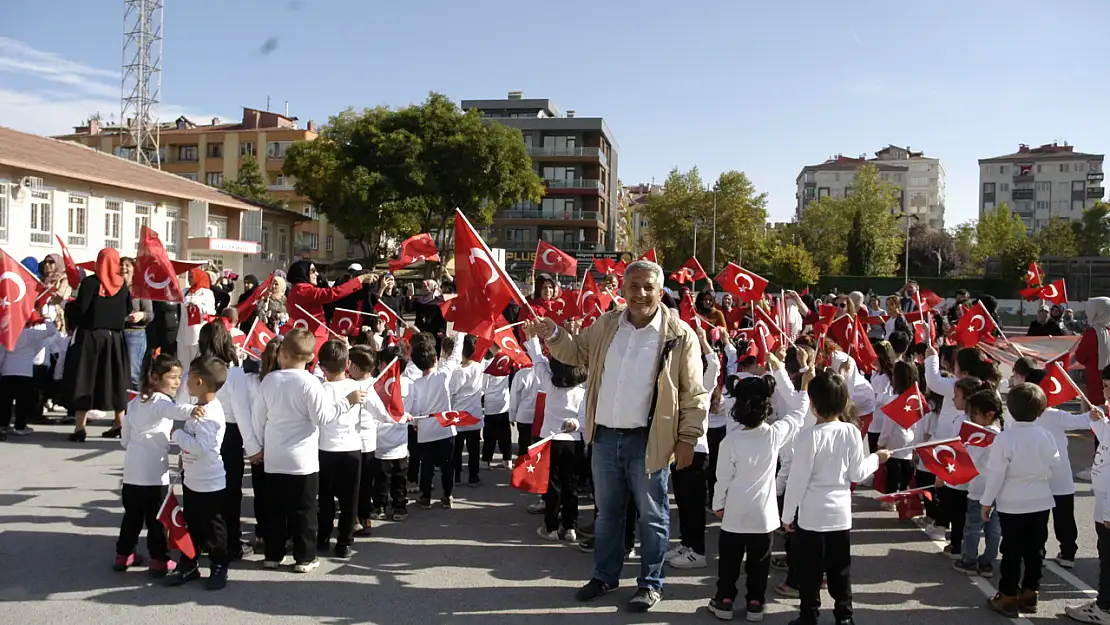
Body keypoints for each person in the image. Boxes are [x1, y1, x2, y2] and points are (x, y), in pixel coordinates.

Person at [524, 259, 709, 614]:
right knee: (607, 514)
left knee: (652, 517)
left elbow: (694, 394)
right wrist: (552, 332)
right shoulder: (607, 325)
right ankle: (605, 575)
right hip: (605, 438)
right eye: (633, 286)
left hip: (649, 441)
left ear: (659, 291)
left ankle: (650, 584)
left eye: (647, 287)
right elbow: (576, 352)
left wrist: (687, 438)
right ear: (622, 290)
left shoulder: (678, 334)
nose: (639, 294)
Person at [246, 328, 366, 573]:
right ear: (311, 358)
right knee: (305, 510)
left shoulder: (269, 380)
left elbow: (258, 417)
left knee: (275, 509)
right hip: (303, 459)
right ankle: (304, 557)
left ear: (282, 354)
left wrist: (258, 446)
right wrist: (348, 401)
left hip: (275, 456)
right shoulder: (310, 382)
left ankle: (273, 554)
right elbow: (323, 418)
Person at [781, 370, 890, 625]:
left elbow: (797, 481)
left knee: (810, 570)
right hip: (840, 515)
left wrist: (787, 516)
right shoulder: (851, 433)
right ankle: (844, 615)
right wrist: (877, 458)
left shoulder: (807, 437)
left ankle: (809, 615)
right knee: (840, 570)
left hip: (811, 516)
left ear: (813, 405)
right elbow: (858, 473)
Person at [709, 359, 807, 622]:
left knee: (729, 562)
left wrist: (718, 503)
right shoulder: (774, 435)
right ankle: (755, 602)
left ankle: (725, 599)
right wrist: (805, 386)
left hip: (734, 514)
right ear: (767, 404)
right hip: (764, 515)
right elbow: (798, 414)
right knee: (759, 563)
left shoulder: (730, 441)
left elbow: (722, 479)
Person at [980, 382, 1059, 618]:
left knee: (1011, 550)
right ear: (1041, 410)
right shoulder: (1045, 435)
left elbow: (995, 474)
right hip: (1041, 500)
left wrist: (986, 501)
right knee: (1036, 550)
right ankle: (1030, 593)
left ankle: (1007, 596)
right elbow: (1055, 464)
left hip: (1012, 503)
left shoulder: (1005, 439)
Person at [114, 354, 194, 577]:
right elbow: (176, 412)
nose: (177, 382)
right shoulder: (161, 402)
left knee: (132, 516)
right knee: (156, 518)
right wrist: (194, 409)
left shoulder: (135, 402)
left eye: (179, 377)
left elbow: (124, 437)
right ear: (154, 378)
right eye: (172, 377)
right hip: (153, 472)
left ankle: (123, 554)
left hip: (131, 470)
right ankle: (158, 559)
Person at [167, 355, 230, 590]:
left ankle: (219, 565)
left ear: (200, 382)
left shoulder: (210, 413)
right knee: (191, 524)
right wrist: (183, 457)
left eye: (188, 377)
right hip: (192, 479)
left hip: (210, 481)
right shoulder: (199, 409)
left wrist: (177, 436)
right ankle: (189, 563)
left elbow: (202, 447)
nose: (185, 381)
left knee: (214, 528)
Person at [522, 332, 587, 542]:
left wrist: (532, 338)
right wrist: (575, 424)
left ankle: (550, 527)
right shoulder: (582, 393)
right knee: (571, 486)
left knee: (553, 486)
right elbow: (584, 419)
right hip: (573, 443)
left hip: (550, 442)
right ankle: (570, 527)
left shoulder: (549, 386)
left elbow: (539, 362)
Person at [63, 248, 132, 442]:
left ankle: (80, 428)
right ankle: (119, 424)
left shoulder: (90, 283)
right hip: (114, 339)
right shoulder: (123, 286)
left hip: (90, 337)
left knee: (85, 378)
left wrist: (67, 306)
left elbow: (80, 309)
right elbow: (126, 310)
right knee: (115, 380)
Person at [667, 325, 719, 570]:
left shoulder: (702, 386)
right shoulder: (676, 386)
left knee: (694, 505)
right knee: (683, 503)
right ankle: (686, 544)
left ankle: (697, 551)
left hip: (698, 451)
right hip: (676, 450)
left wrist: (702, 339)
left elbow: (715, 364)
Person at [316, 340, 365, 559]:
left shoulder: (318, 389)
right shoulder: (356, 387)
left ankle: (323, 537)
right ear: (348, 364)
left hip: (325, 449)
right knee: (349, 499)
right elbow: (380, 411)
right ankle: (344, 542)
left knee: (325, 498)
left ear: (322, 366)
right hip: (350, 449)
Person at [1064, 402, 1110, 623]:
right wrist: (1098, 421)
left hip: (1109, 508)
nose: (1106, 393)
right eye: (1104, 386)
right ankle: (1104, 603)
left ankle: (1103, 608)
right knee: (1105, 554)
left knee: (1108, 558)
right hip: (1103, 503)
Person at [954, 389, 1004, 578]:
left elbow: (970, 460)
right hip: (998, 490)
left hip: (979, 490)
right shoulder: (1002, 434)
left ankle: (968, 560)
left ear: (988, 414)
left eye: (974, 414)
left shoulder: (981, 436)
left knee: (973, 527)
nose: (971, 418)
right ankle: (988, 562)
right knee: (994, 529)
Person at [285, 260, 376, 342]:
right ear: (303, 273)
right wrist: (360, 280)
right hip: (311, 340)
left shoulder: (298, 290)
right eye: (313, 271)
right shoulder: (302, 290)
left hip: (311, 337)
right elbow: (332, 294)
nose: (316, 274)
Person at [119, 257, 153, 391]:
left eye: (127, 265)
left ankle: (137, 405)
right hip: (117, 333)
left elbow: (150, 314)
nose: (123, 268)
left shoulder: (140, 289)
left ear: (134, 269)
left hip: (135, 335)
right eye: (121, 265)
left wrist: (141, 315)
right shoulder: (114, 288)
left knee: (133, 373)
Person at [178, 268, 216, 368]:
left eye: (192, 277)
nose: (189, 279)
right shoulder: (185, 291)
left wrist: (195, 306)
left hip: (197, 333)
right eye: (188, 277)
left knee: (196, 361)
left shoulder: (207, 293)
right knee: (183, 362)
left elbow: (210, 312)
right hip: (183, 332)